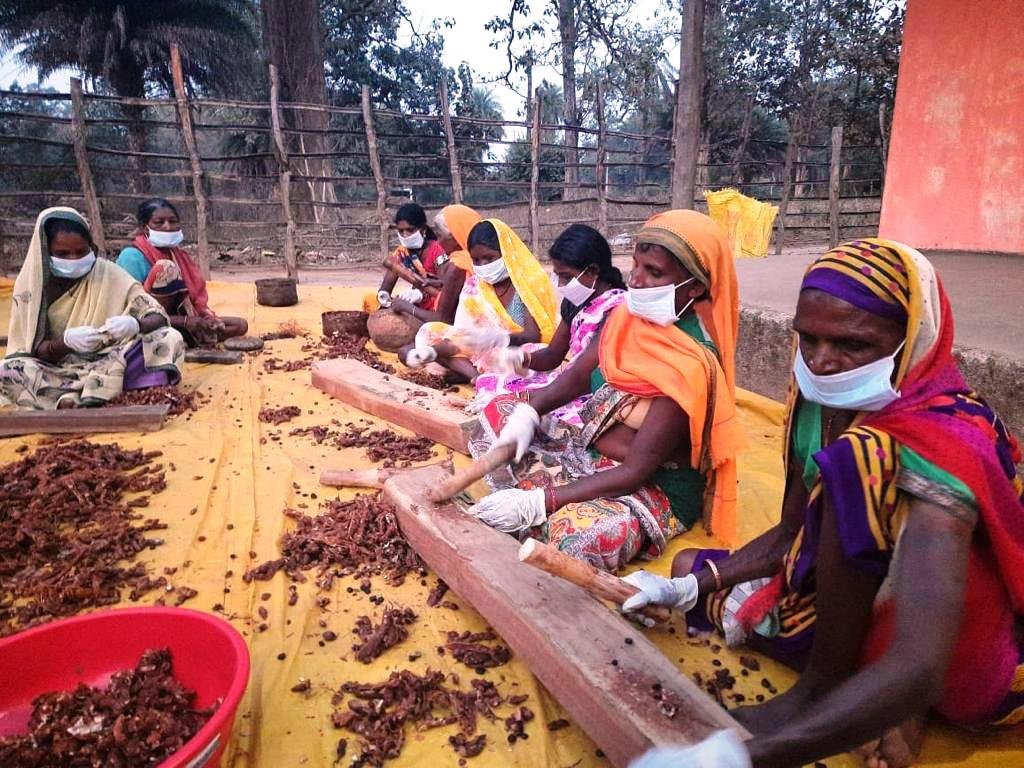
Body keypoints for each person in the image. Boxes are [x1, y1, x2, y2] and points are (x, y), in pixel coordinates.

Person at [623, 240, 1024, 768]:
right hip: (848, 598)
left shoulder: (946, 438)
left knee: (856, 462)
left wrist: (739, 759)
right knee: (687, 567)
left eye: (853, 344)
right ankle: (873, 698)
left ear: (912, 338)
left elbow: (924, 661)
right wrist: (691, 586)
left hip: (950, 632)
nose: (822, 360)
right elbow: (790, 533)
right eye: (807, 338)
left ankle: (831, 691)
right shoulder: (816, 396)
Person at [466, 210, 745, 571]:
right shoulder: (627, 318)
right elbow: (579, 376)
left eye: (654, 272)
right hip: (590, 450)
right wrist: (530, 412)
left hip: (648, 486)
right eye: (636, 265)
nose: (637, 280)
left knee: (572, 539)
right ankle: (533, 499)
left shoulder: (692, 362)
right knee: (498, 412)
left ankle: (534, 503)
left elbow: (636, 471)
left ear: (695, 287)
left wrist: (540, 501)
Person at [0, 207, 185, 409]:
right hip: (58, 371)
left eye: (81, 252)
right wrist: (65, 342)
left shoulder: (107, 273)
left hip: (112, 360)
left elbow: (156, 315)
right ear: (45, 252)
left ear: (91, 247)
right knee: (9, 370)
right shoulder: (31, 287)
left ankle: (86, 396)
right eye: (62, 254)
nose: (74, 259)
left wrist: (135, 325)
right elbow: (30, 350)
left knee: (168, 337)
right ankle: (81, 395)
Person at [469, 223, 627, 427]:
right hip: (573, 380)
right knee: (494, 381)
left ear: (593, 271)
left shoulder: (616, 309)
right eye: (558, 275)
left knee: (531, 414)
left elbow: (583, 377)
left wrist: (526, 400)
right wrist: (521, 358)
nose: (561, 285)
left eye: (567, 277)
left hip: (597, 389)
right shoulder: (574, 303)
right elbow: (553, 355)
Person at [402, 218, 559, 384]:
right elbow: (461, 334)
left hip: (512, 350)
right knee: (429, 331)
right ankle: (476, 377)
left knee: (530, 354)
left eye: (489, 258)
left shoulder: (524, 283)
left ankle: (470, 374)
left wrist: (500, 339)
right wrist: (432, 351)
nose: (483, 265)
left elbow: (533, 335)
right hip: (476, 350)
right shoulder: (475, 286)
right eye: (476, 260)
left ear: (506, 252)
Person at [115, 198, 247, 347]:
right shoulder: (131, 256)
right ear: (145, 228)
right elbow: (130, 311)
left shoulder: (177, 254)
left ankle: (189, 335)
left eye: (173, 221)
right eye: (159, 222)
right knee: (165, 268)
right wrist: (184, 321)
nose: (168, 227)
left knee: (240, 325)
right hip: (148, 322)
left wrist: (201, 319)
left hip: (181, 317)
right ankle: (177, 336)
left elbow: (193, 299)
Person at [388, 203, 481, 325]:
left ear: (455, 238)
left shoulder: (457, 266)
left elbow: (443, 319)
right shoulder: (477, 260)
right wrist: (437, 283)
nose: (438, 242)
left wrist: (405, 306)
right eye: (401, 231)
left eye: (440, 236)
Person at [371, 202, 446, 312]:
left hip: (439, 308)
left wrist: (420, 295)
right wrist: (383, 295)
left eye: (410, 230)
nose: (405, 235)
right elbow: (386, 286)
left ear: (423, 229)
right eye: (401, 231)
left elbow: (446, 286)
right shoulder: (402, 252)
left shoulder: (437, 250)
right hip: (415, 308)